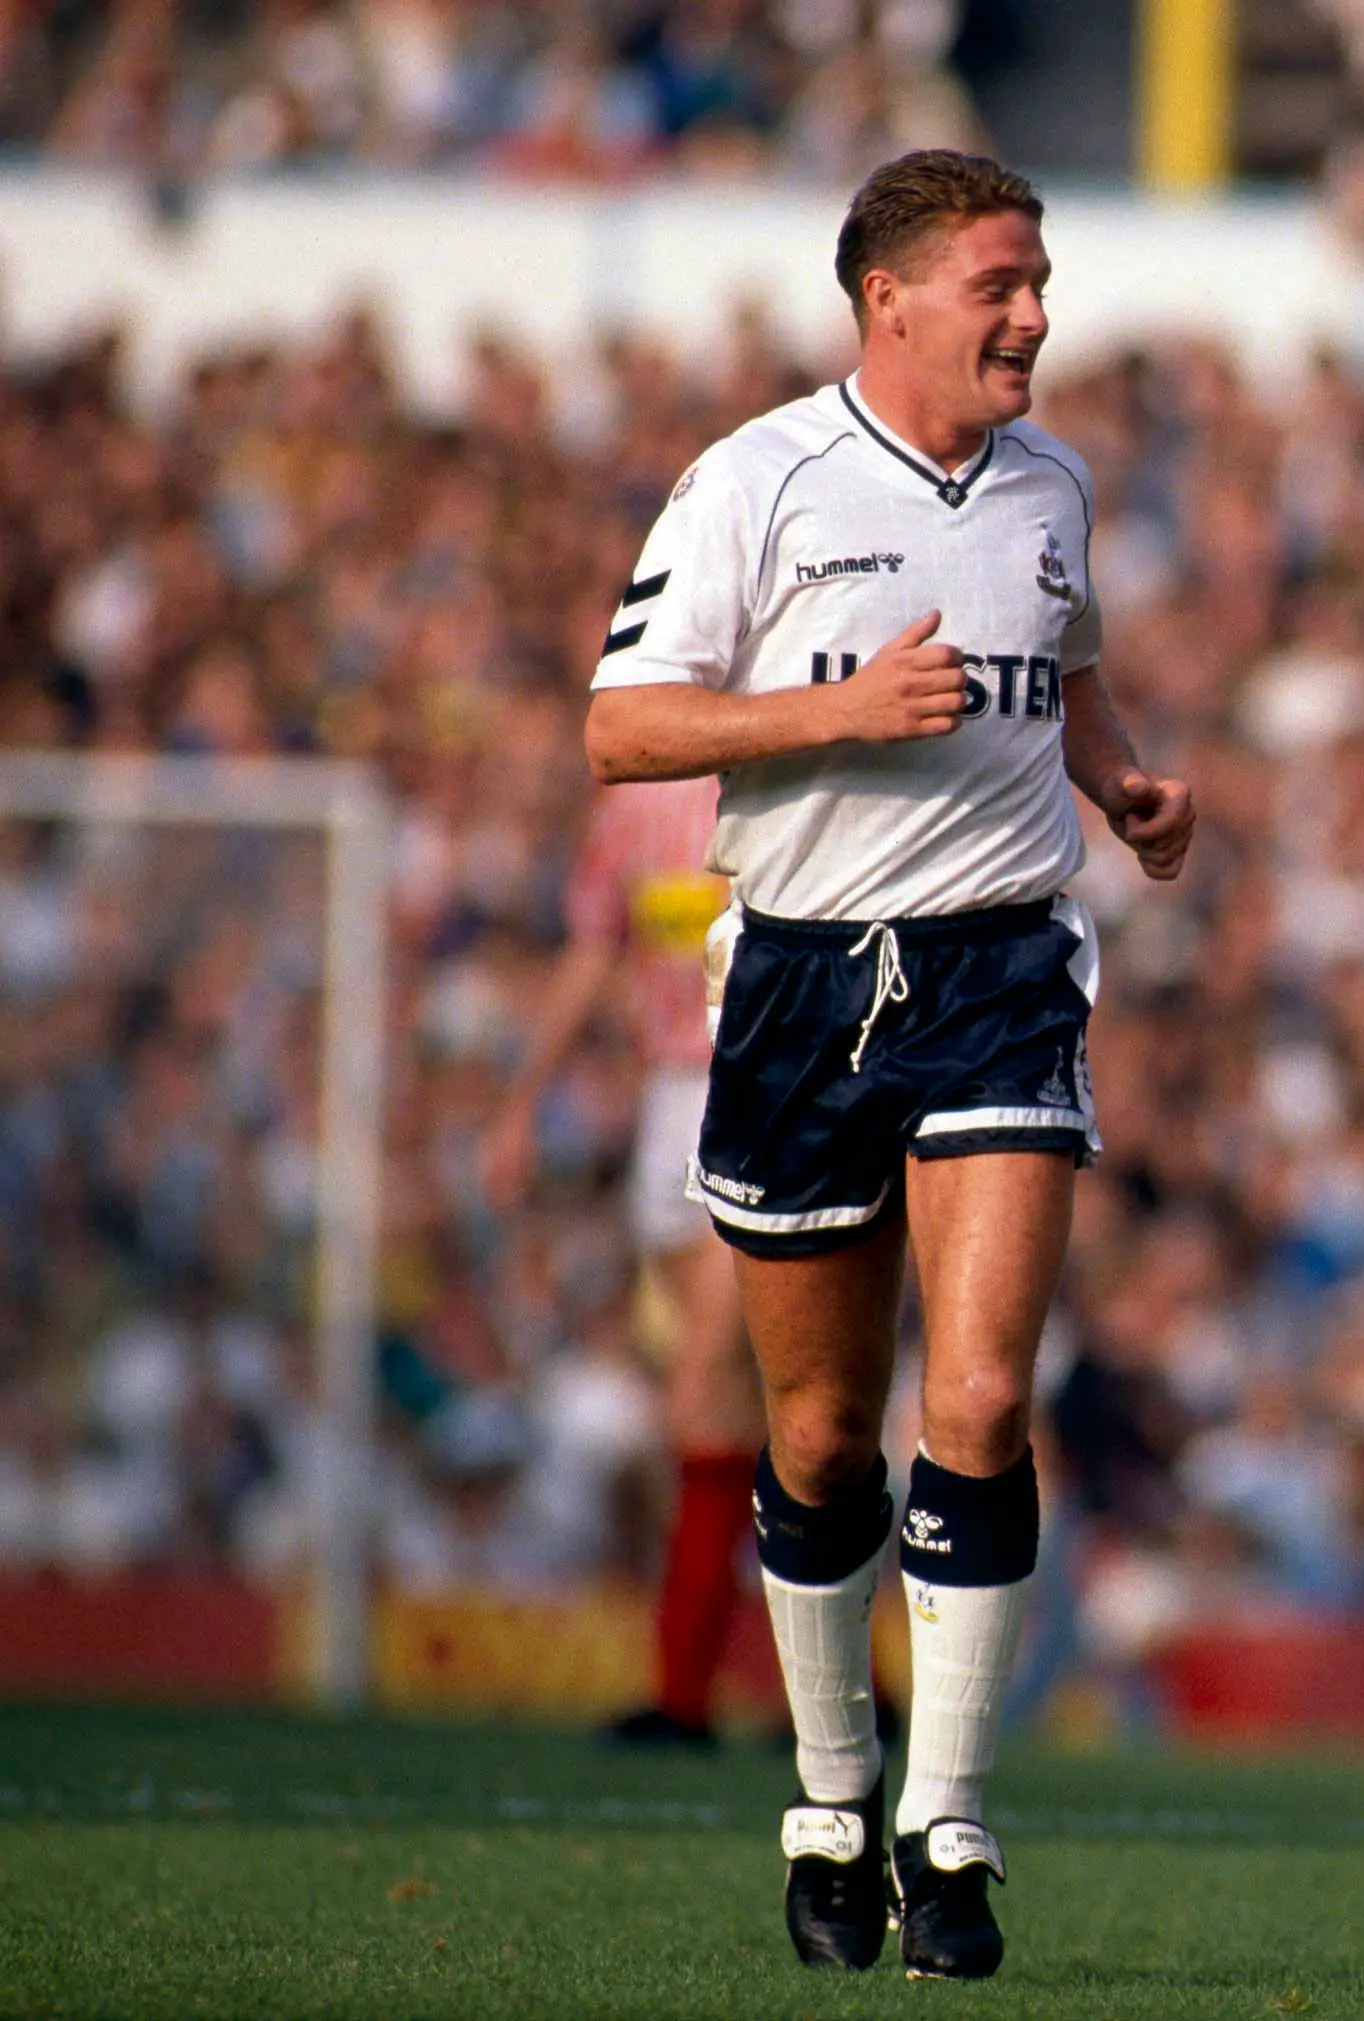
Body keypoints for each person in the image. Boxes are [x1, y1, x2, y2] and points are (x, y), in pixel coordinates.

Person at [581, 149, 1196, 1980]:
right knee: (820, 1434)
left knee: (984, 1400)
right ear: (893, 299)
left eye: (1042, 280)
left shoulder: (1053, 483)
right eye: (1003, 283)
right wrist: (835, 711)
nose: (1035, 315)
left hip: (1001, 967)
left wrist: (1121, 781)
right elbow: (621, 728)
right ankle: (833, 1794)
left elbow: (1068, 667)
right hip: (798, 979)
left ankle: (952, 1822)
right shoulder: (756, 477)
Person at [482, 773, 757, 1750]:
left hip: (762, 1091)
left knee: (705, 1392)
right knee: (753, 1415)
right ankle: (843, 1692)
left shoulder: (790, 768)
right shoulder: (637, 806)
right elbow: (596, 948)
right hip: (670, 1103)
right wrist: (522, 1101)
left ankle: (684, 1692)